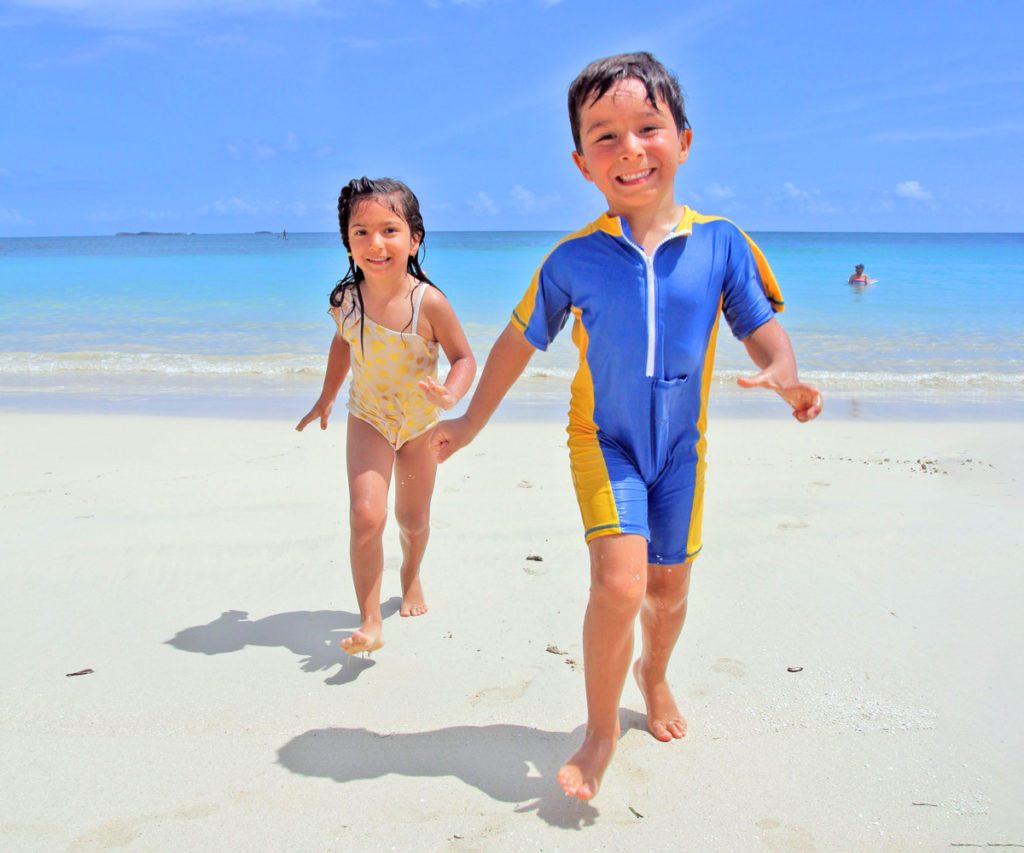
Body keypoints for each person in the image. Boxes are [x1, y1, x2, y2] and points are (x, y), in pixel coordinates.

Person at [430, 52, 822, 800]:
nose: (630, 148)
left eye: (648, 127)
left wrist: (783, 374)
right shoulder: (574, 258)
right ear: (581, 162)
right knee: (620, 583)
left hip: (680, 450)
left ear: (684, 138)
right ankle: (602, 728)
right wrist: (470, 422)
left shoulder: (720, 243)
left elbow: (761, 327)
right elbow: (517, 343)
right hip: (602, 440)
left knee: (668, 588)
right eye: (605, 136)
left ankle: (655, 671)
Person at [297, 177, 476, 655]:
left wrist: (449, 396)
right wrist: (326, 396)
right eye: (361, 232)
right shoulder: (346, 301)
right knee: (365, 515)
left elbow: (464, 358)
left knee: (412, 520)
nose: (376, 244)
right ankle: (370, 619)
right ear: (347, 241)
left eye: (389, 230)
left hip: (419, 425)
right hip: (369, 416)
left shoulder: (429, 302)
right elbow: (343, 344)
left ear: (414, 238)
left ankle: (411, 573)